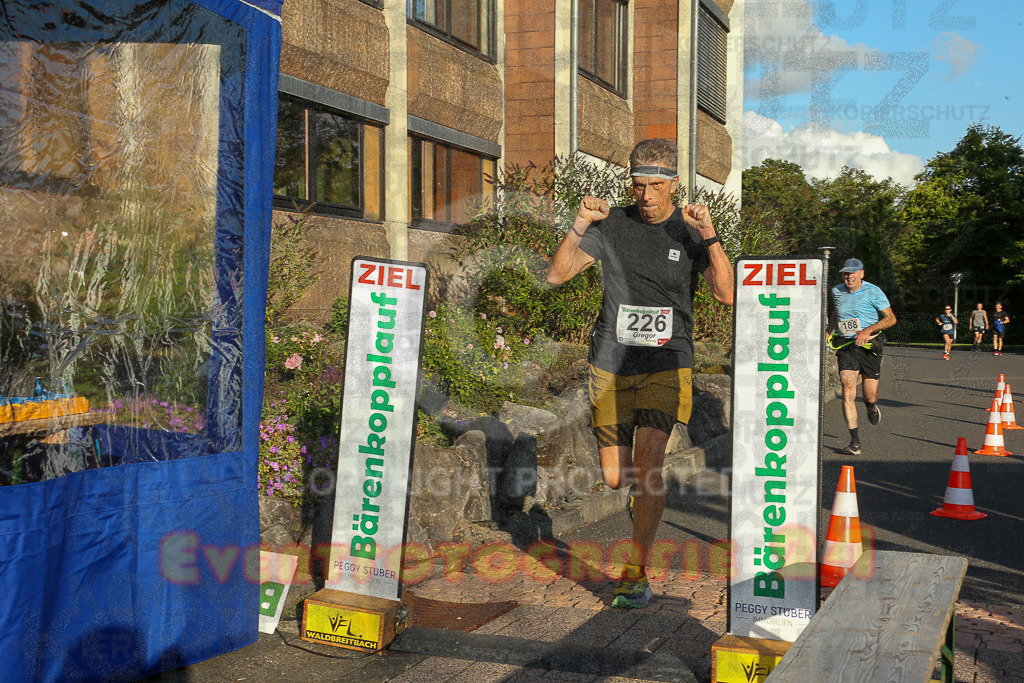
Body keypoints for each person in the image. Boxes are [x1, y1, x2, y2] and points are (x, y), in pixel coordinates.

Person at [546, 138, 734, 609]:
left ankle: (635, 573)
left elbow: (728, 294)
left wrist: (710, 234)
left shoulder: (690, 231)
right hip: (611, 363)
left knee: (649, 466)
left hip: (668, 361)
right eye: (637, 185)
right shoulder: (612, 226)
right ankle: (639, 500)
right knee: (616, 478)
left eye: (654, 186)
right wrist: (579, 225)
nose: (645, 195)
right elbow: (557, 275)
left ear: (673, 184)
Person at [826, 258, 897, 456]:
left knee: (869, 394)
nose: (849, 277)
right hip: (847, 345)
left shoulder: (873, 291)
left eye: (852, 273)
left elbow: (891, 319)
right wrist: (828, 331)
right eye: (845, 273)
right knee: (848, 392)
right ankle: (855, 441)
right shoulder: (837, 291)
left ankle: (871, 406)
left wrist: (868, 330)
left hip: (869, 345)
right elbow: (837, 313)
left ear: (861, 274)